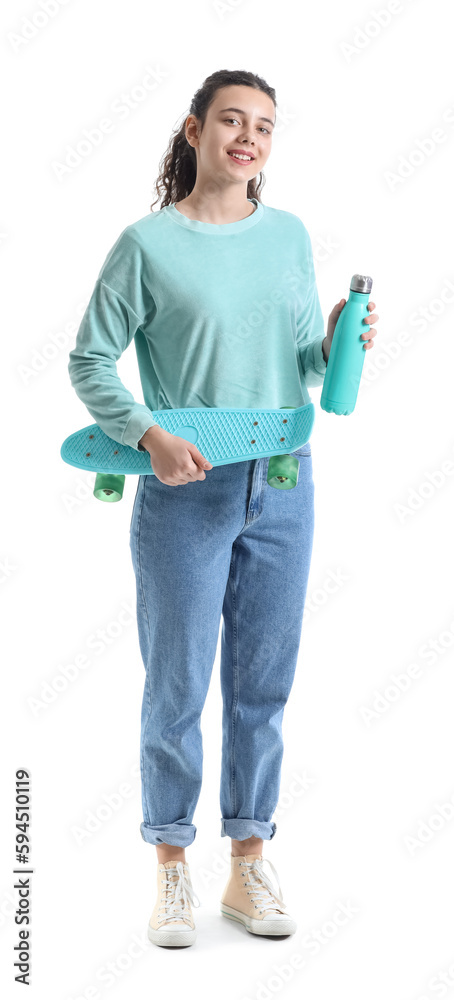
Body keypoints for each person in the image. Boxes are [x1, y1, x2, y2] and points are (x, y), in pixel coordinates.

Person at [68, 68, 379, 948]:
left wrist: (331, 342)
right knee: (176, 686)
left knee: (262, 685)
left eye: (266, 127)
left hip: (283, 480)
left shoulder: (288, 238)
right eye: (232, 121)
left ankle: (247, 865)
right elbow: (90, 360)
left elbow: (302, 370)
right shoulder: (146, 244)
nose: (249, 137)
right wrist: (145, 436)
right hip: (184, 486)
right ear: (196, 128)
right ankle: (171, 869)